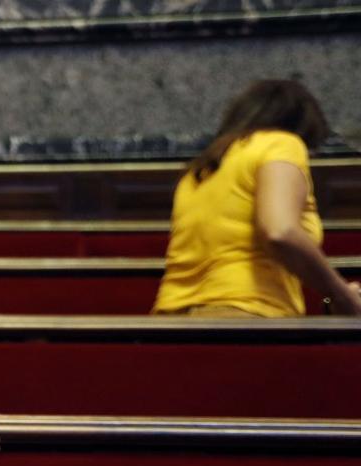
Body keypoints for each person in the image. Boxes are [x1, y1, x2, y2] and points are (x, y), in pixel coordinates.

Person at [152, 79, 361, 317]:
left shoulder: (201, 169)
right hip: (244, 316)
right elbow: (280, 231)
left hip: (173, 319)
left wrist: (331, 295)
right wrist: (342, 296)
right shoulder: (282, 143)